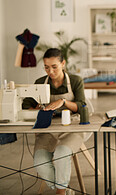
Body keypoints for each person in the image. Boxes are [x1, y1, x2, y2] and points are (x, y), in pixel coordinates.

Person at [22, 48, 86, 195]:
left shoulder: (75, 81)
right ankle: (63, 189)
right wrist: (38, 107)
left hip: (72, 128)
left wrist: (62, 102)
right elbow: (26, 104)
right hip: (47, 130)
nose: (50, 71)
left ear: (63, 63)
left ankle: (61, 192)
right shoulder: (40, 83)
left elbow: (82, 106)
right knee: (40, 162)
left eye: (54, 67)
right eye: (46, 67)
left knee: (61, 153)